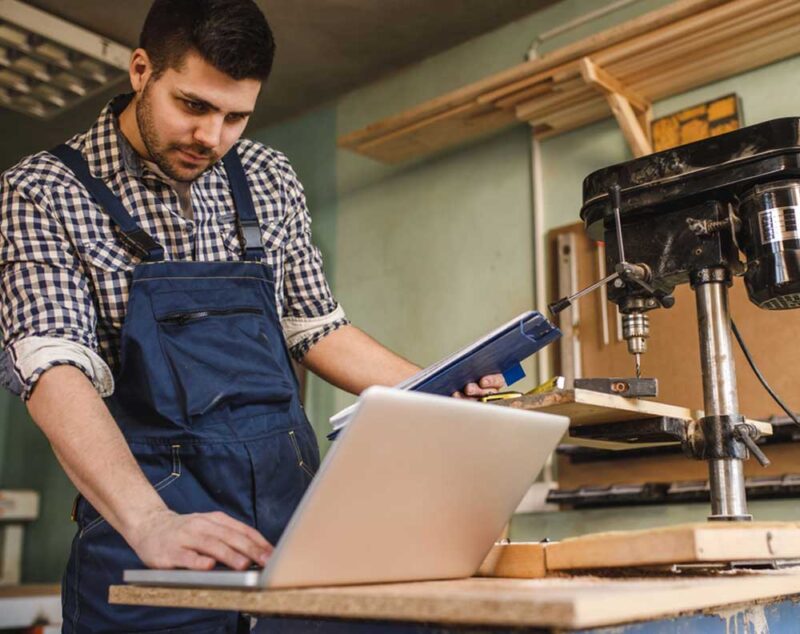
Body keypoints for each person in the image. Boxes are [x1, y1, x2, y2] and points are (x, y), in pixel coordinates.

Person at [0, 0, 504, 632]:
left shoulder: (265, 175)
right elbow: (53, 371)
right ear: (139, 70)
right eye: (193, 106)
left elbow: (316, 326)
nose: (212, 137)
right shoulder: (43, 191)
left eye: (236, 116)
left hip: (290, 519)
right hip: (150, 532)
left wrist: (435, 388)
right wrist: (151, 521)